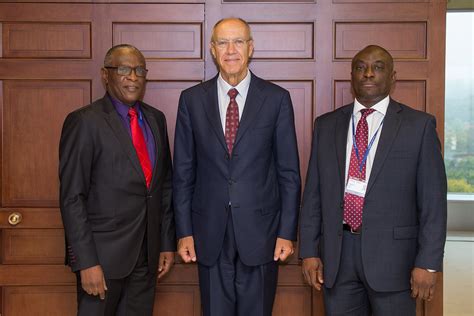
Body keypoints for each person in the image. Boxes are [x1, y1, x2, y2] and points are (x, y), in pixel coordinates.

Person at [299, 45, 447, 316]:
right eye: (360, 67)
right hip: (337, 257)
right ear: (351, 76)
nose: (368, 73)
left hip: (395, 261)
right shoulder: (326, 125)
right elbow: (313, 195)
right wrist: (308, 251)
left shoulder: (419, 126)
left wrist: (428, 263)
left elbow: (433, 202)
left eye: (378, 67)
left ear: (392, 77)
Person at [173, 18, 301, 316]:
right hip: (208, 233)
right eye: (222, 42)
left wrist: (287, 232)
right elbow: (183, 173)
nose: (231, 50)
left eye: (239, 42)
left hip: (263, 234)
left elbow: (289, 174)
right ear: (212, 50)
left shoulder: (276, 99)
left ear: (251, 48)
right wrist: (184, 231)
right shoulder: (191, 100)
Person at [59, 44, 175, 316]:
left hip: (146, 259)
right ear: (105, 75)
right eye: (123, 69)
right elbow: (72, 197)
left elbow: (164, 186)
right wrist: (86, 263)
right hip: (101, 261)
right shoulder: (85, 122)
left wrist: (166, 243)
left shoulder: (156, 120)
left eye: (139, 70)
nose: (133, 77)